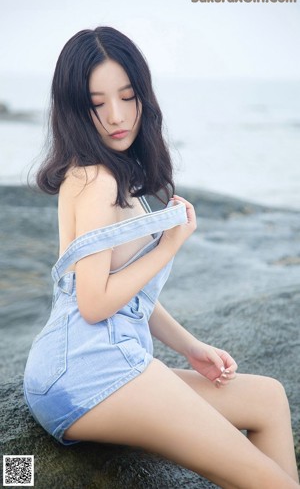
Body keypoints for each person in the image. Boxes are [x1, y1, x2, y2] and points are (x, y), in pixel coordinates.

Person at [23, 26, 299, 488]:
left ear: (143, 97)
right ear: (75, 108)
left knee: (267, 399)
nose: (116, 115)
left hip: (109, 358)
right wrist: (169, 244)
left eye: (128, 97)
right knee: (269, 482)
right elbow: (94, 302)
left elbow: (127, 289)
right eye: (97, 103)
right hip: (88, 369)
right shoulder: (95, 181)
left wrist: (192, 349)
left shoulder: (111, 177)